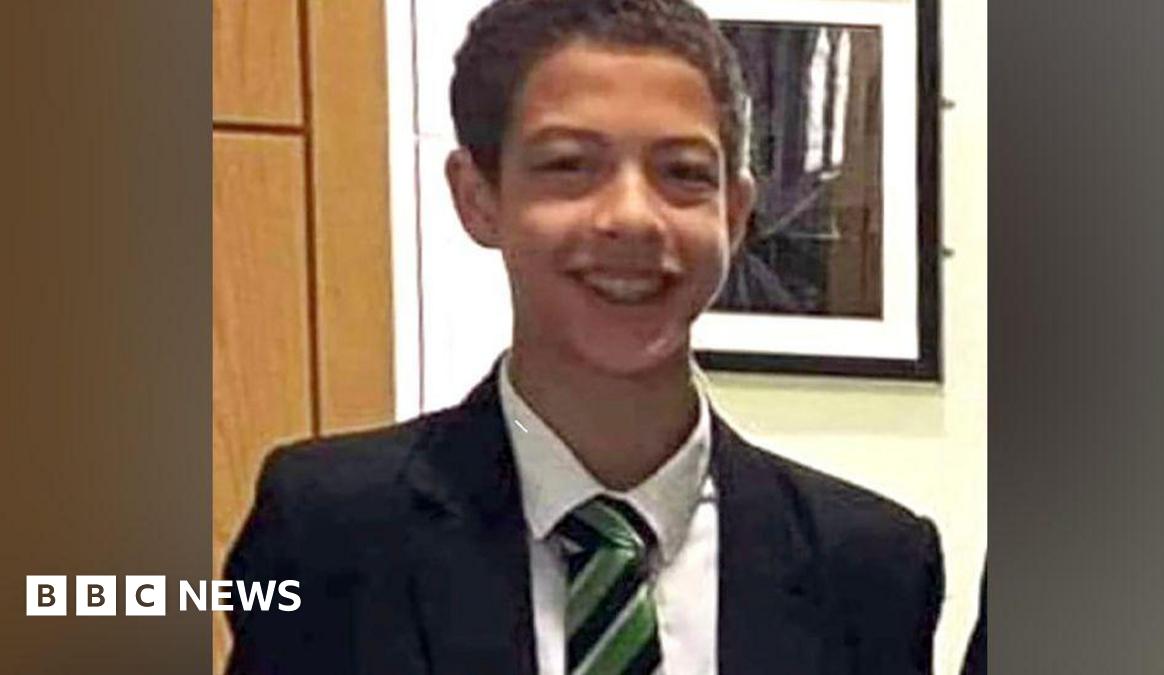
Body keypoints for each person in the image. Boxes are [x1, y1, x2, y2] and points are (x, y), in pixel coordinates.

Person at [224, 1, 943, 673]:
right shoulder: (329, 528)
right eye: (569, 165)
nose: (632, 217)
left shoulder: (870, 565)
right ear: (477, 197)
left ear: (734, 212)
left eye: (683, 173)